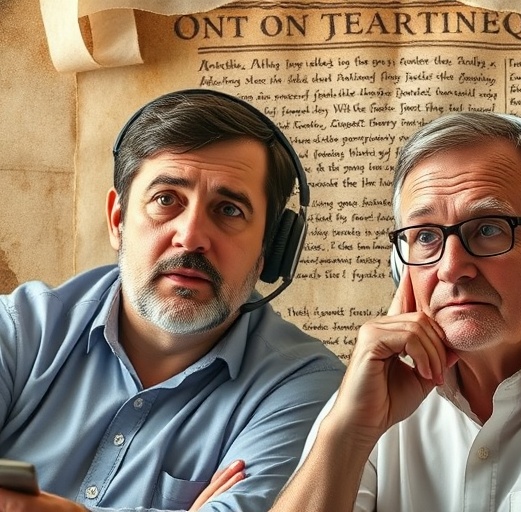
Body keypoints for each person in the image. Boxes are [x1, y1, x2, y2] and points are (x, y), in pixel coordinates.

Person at [271, 112, 521, 512]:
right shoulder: (374, 393)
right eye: (425, 237)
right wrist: (347, 433)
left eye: (489, 228)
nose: (451, 268)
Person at [0, 90, 345, 511]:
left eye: (229, 210)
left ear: (268, 252)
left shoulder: (308, 387)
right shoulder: (18, 330)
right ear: (118, 220)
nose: (192, 236)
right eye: (166, 200)